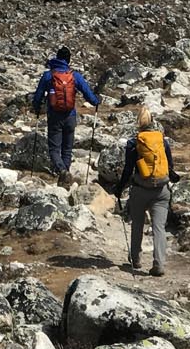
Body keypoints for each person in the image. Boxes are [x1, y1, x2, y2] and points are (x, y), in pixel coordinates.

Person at [111, 105, 181, 276]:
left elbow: (128, 170)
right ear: (152, 121)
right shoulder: (162, 141)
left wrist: (119, 189)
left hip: (140, 189)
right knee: (159, 227)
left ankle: (135, 259)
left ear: (138, 122)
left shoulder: (134, 143)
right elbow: (170, 166)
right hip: (161, 190)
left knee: (138, 224)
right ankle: (159, 264)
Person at [30, 46, 101, 188]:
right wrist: (97, 101)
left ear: (56, 57)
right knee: (67, 150)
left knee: (54, 149)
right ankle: (65, 180)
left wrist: (37, 107)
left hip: (54, 117)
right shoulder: (74, 75)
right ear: (68, 60)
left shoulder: (49, 75)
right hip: (70, 116)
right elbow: (89, 95)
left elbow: (37, 96)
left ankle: (62, 172)